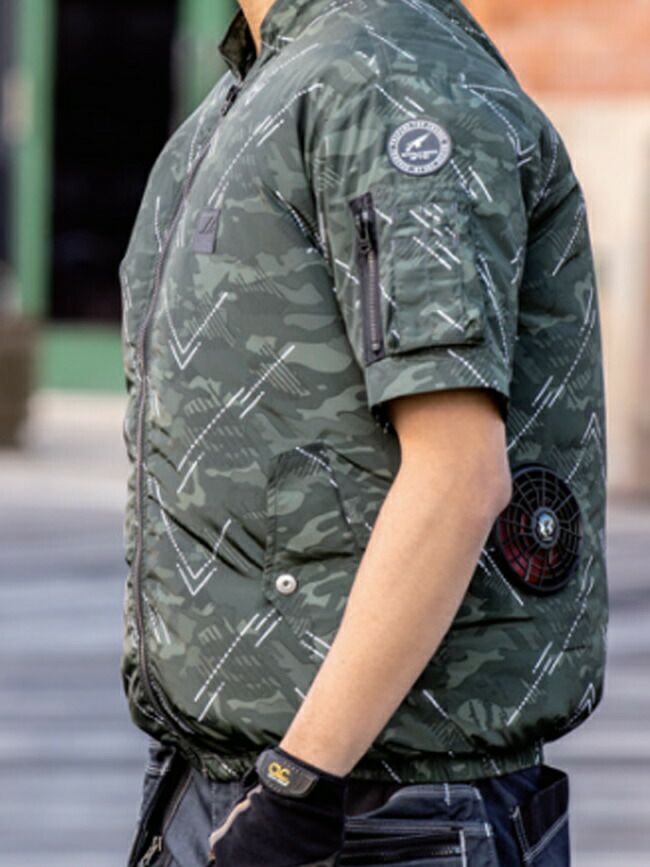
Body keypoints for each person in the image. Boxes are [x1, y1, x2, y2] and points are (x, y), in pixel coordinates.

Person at [119, 0, 608, 865]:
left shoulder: (388, 80)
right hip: (239, 785)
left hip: (369, 812)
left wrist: (296, 791)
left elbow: (459, 474)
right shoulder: (259, 87)